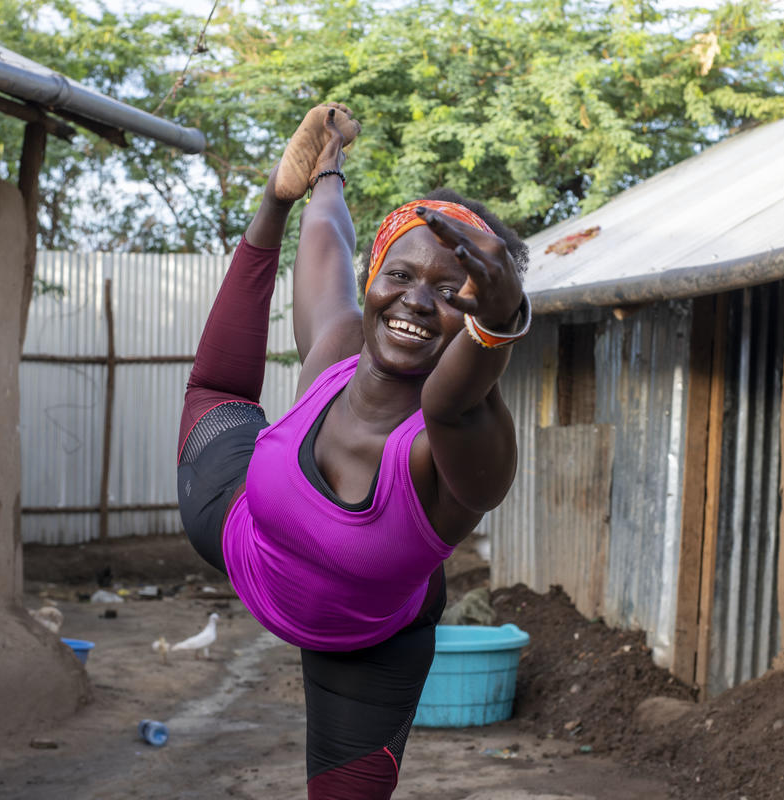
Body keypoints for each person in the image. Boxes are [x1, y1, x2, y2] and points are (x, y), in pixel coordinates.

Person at [176, 102, 530, 799]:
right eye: (400, 275)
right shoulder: (338, 347)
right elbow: (329, 241)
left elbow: (453, 399)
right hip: (242, 533)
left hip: (371, 644)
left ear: (476, 315)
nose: (417, 301)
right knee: (216, 390)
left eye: (450, 292)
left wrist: (498, 323)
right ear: (376, 277)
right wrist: (313, 174)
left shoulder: (451, 451)